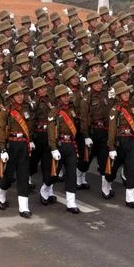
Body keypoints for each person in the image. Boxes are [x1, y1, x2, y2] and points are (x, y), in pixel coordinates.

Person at [0, 82, 33, 218]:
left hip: (23, 144)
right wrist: (2, 149)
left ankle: (24, 207)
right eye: (17, 94)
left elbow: (30, 126)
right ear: (11, 97)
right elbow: (1, 130)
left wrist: (31, 140)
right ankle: (1, 195)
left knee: (23, 175)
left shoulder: (26, 108)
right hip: (11, 145)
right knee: (8, 175)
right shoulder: (6, 111)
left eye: (21, 94)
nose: (20, 97)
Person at [106, 80, 134, 208]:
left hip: (130, 141)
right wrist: (111, 147)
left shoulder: (132, 105)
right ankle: (107, 182)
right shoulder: (115, 109)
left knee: (131, 169)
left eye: (127, 92)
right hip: (119, 142)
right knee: (112, 170)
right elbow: (112, 129)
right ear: (118, 95)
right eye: (123, 93)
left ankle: (130, 198)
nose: (126, 94)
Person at [48, 84, 81, 213]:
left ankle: (71, 202)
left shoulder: (71, 110)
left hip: (70, 145)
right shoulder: (54, 112)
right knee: (54, 174)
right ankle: (45, 189)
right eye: (63, 96)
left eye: (67, 95)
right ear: (58, 98)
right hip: (59, 145)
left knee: (71, 174)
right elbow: (51, 131)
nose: (66, 98)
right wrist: (53, 148)